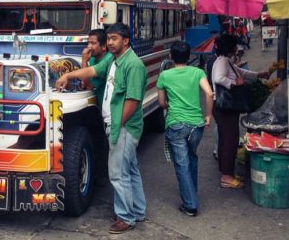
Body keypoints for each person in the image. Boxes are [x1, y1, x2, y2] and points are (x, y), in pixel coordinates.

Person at [56, 23, 147, 234]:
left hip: (124, 127)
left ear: (126, 40)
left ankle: (126, 217)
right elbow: (91, 71)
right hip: (117, 125)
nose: (111, 42)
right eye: (109, 38)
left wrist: (117, 124)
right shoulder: (114, 61)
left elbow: (132, 101)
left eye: (115, 38)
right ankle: (138, 211)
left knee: (117, 174)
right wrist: (68, 76)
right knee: (130, 170)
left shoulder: (132, 65)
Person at [157, 41, 213, 217]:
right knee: (192, 157)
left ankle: (190, 205)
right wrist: (209, 115)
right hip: (197, 125)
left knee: (182, 164)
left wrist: (169, 104)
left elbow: (161, 103)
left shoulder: (165, 75)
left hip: (176, 123)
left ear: (171, 57)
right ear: (189, 56)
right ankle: (192, 192)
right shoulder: (198, 72)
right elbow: (209, 93)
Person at [211, 34, 268, 189]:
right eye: (235, 46)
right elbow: (218, 79)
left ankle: (226, 172)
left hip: (224, 107)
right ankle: (226, 177)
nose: (237, 48)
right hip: (224, 106)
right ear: (230, 47)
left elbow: (241, 72)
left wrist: (259, 75)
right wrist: (234, 83)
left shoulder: (225, 61)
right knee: (230, 140)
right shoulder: (223, 61)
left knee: (227, 139)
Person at [81, 29, 112, 106]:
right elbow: (84, 83)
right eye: (88, 43)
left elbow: (89, 86)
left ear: (104, 46)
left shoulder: (108, 60)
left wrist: (84, 61)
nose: (89, 46)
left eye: (93, 43)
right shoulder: (92, 59)